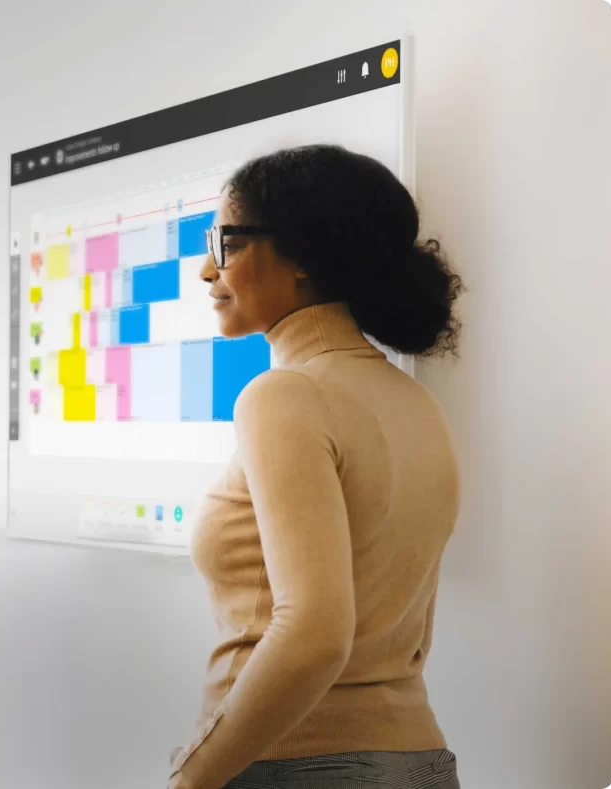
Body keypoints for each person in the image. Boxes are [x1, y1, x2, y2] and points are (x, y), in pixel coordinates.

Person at [168, 145, 465, 789]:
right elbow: (410, 635)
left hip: (297, 764)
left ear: (300, 255)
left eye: (224, 243)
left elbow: (314, 634)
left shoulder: (284, 395)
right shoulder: (417, 403)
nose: (203, 270)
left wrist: (190, 778)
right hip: (420, 764)